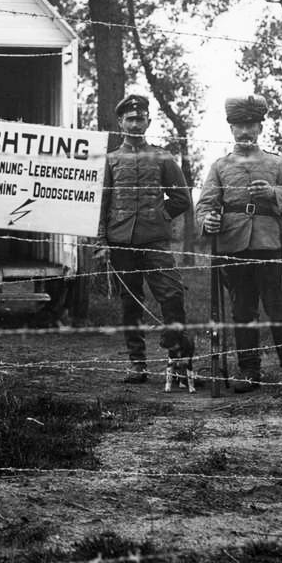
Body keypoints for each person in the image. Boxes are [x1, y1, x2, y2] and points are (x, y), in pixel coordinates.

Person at [195, 94, 282, 392]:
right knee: (243, 310)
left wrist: (273, 193)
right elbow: (204, 206)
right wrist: (208, 222)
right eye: (239, 126)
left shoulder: (275, 163)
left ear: (259, 128)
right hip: (233, 246)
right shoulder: (220, 167)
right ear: (231, 129)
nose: (245, 131)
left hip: (270, 245)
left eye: (251, 125)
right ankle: (249, 372)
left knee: (279, 307)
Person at [94, 94, 193, 384]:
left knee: (172, 295)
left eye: (141, 118)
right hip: (121, 240)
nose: (136, 123)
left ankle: (177, 360)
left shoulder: (162, 157)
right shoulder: (111, 160)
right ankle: (137, 364)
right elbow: (102, 203)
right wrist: (102, 241)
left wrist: (160, 217)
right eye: (130, 119)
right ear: (121, 122)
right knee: (130, 302)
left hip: (155, 241)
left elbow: (181, 198)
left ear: (148, 121)